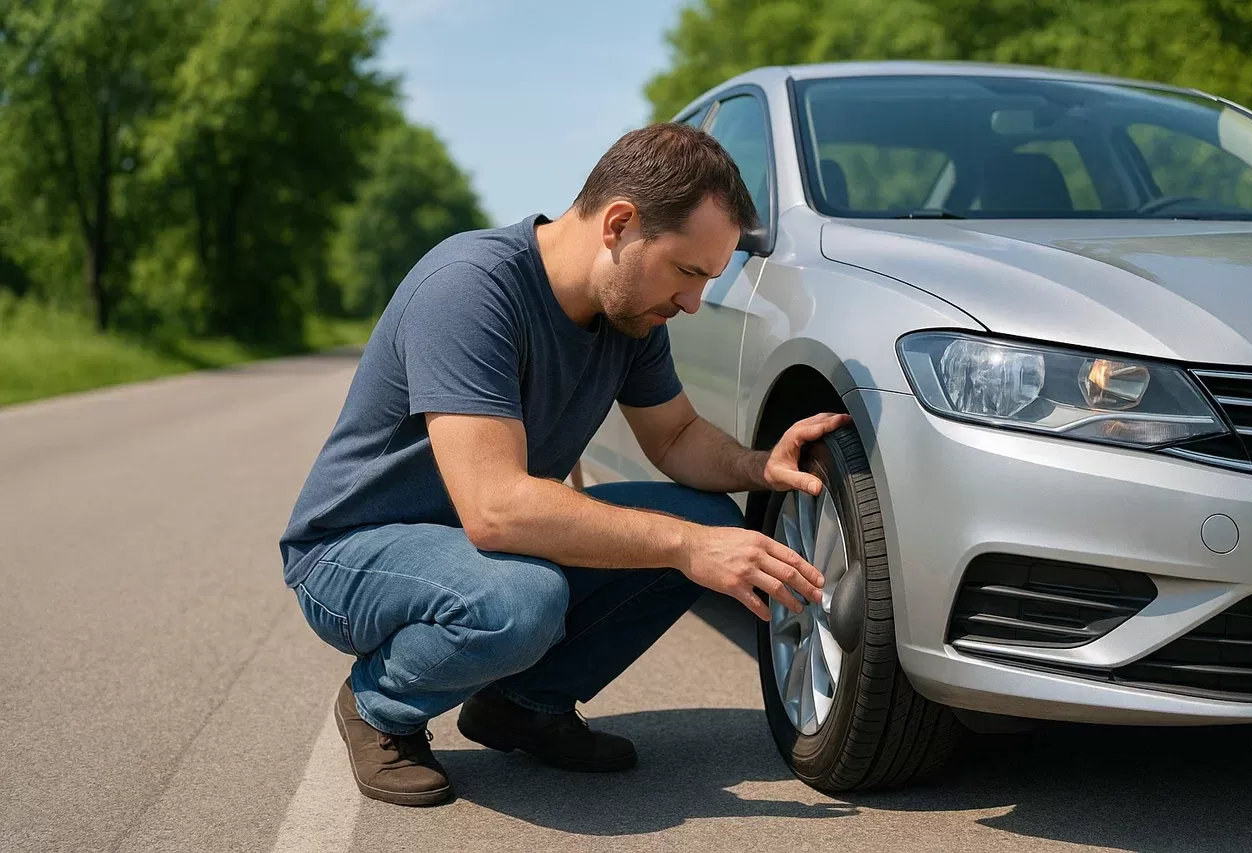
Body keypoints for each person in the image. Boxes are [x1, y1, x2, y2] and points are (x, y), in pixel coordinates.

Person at [278, 122, 851, 807]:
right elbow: (494, 510)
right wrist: (687, 547)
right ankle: (379, 705)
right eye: (688, 271)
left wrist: (762, 466)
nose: (693, 301)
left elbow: (675, 438)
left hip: (480, 550)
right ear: (620, 224)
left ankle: (521, 705)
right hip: (354, 551)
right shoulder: (472, 289)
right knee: (524, 598)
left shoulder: (633, 315)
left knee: (705, 517)